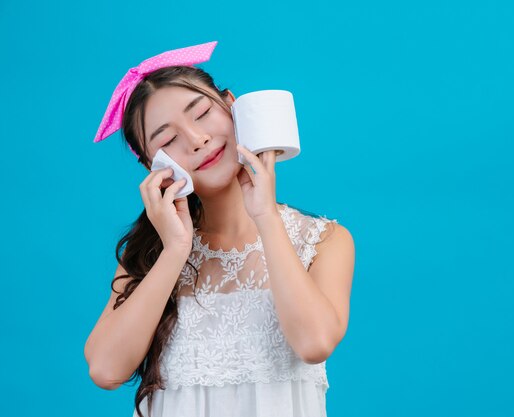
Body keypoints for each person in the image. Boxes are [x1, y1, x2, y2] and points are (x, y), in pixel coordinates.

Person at [83, 40, 355, 417]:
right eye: (168, 140)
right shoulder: (150, 253)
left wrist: (266, 218)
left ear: (231, 104)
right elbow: (106, 369)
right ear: (154, 166)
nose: (197, 140)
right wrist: (176, 250)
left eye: (201, 113)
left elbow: (315, 343)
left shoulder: (324, 240)